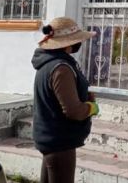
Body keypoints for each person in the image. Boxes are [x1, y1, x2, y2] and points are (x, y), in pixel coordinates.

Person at [31, 17, 99, 183]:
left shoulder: (48, 64)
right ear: (68, 43)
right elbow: (73, 110)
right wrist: (92, 107)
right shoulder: (61, 68)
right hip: (59, 143)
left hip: (51, 140)